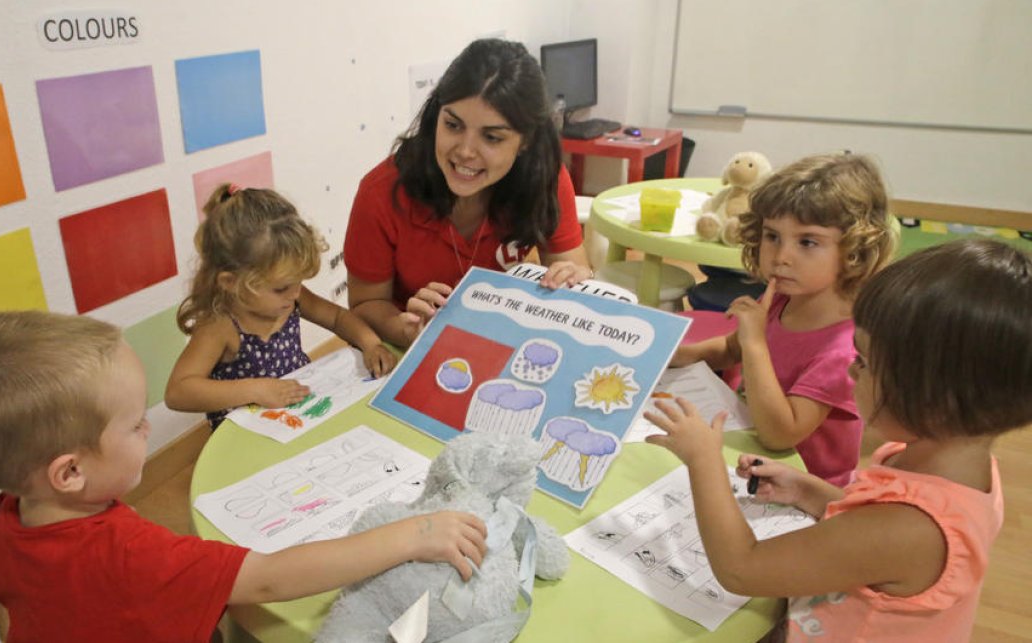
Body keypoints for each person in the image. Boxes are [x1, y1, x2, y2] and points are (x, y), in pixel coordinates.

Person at [0, 310, 487, 643]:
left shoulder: (2, 518)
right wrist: (413, 535)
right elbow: (268, 580)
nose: (150, 427)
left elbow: (0, 595)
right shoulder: (132, 553)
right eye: (134, 424)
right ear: (70, 472)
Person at [644, 239, 1031, 641]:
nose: (849, 371)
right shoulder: (956, 463)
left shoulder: (914, 529)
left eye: (863, 361)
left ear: (932, 399)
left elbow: (741, 567)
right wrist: (809, 490)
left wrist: (703, 458)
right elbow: (871, 525)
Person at [345, 38, 591, 347]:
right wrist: (408, 331)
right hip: (410, 354)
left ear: (525, 141)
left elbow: (573, 272)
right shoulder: (381, 193)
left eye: (491, 137)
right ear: (437, 116)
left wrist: (573, 281)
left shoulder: (545, 179)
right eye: (453, 125)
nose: (464, 151)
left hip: (506, 342)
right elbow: (365, 305)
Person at [670, 153, 894, 485]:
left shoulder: (845, 349)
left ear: (855, 251)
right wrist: (674, 356)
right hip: (750, 451)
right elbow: (733, 350)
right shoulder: (786, 295)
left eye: (807, 242)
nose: (781, 257)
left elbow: (781, 434)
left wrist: (755, 342)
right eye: (772, 236)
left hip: (804, 488)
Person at [166, 185, 396, 429]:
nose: (296, 293)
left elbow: (338, 317)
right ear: (231, 282)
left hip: (298, 414)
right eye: (281, 288)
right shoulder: (221, 324)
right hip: (247, 434)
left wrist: (370, 344)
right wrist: (255, 389)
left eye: (299, 283)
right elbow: (178, 391)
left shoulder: (291, 297)